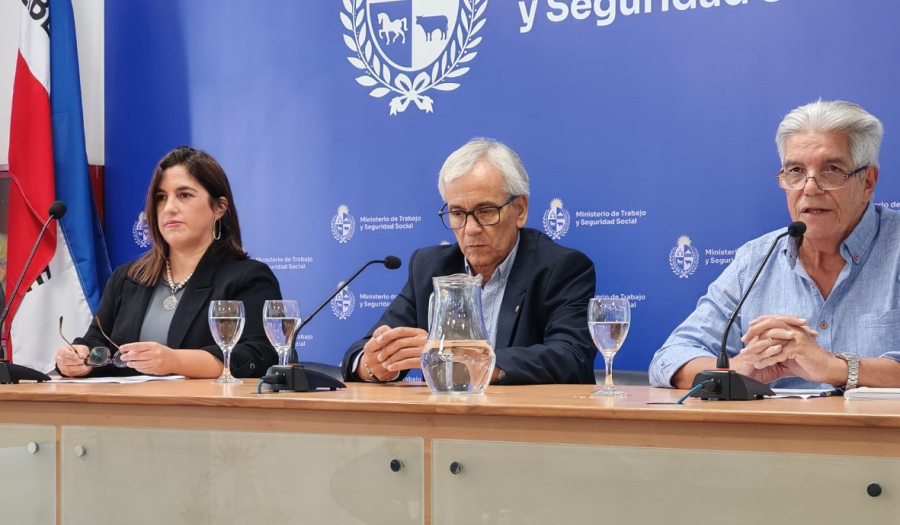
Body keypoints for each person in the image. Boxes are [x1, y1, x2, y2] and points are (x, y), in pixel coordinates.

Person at [650, 100, 900, 390]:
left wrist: (832, 367)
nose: (809, 187)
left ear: (867, 182)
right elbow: (669, 359)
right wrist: (734, 371)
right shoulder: (756, 259)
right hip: (773, 435)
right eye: (795, 170)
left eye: (831, 169)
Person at [341, 138, 597, 385]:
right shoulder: (429, 267)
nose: (470, 228)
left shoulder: (561, 267)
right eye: (457, 213)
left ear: (520, 210)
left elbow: (571, 358)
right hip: (444, 425)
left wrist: (461, 358)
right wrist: (374, 364)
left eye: (485, 211)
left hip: (527, 424)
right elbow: (363, 351)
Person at [55, 146, 280, 378]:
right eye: (161, 198)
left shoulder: (249, 278)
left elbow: (259, 357)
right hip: (127, 411)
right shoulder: (127, 277)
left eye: (184, 195)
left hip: (205, 411)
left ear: (219, 207)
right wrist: (81, 357)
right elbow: (97, 342)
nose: (169, 208)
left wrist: (175, 361)